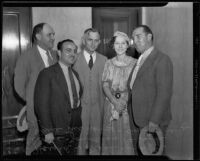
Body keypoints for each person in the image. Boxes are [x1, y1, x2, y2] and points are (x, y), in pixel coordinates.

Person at [127, 25, 173, 155]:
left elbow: (164, 94)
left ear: (149, 37)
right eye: (133, 38)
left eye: (138, 36)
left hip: (151, 121)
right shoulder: (140, 58)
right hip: (136, 117)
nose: (135, 41)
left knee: (153, 153)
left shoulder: (162, 59)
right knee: (139, 152)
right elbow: (134, 86)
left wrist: (154, 121)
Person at [14, 23, 58, 155]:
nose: (53, 38)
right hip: (35, 109)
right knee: (35, 141)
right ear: (38, 36)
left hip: (54, 109)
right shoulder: (26, 56)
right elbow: (18, 85)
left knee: (52, 143)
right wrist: (33, 100)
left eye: (53, 35)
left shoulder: (55, 55)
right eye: (49, 35)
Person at [34, 39, 82, 155]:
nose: (72, 54)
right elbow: (41, 105)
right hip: (56, 129)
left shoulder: (75, 74)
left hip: (75, 127)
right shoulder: (47, 73)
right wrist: (47, 131)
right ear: (59, 53)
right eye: (68, 50)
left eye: (75, 51)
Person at [101, 31, 136, 155]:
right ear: (113, 45)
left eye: (123, 43)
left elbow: (134, 87)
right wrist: (114, 102)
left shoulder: (134, 63)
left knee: (126, 138)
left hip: (126, 106)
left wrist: (121, 103)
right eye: (117, 43)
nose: (120, 46)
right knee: (110, 136)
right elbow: (105, 84)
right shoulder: (108, 63)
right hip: (110, 104)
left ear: (128, 45)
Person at [73, 28, 107, 155]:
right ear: (83, 41)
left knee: (96, 142)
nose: (93, 44)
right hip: (80, 108)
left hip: (98, 108)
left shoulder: (105, 60)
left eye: (96, 41)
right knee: (79, 143)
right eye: (90, 40)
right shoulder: (74, 59)